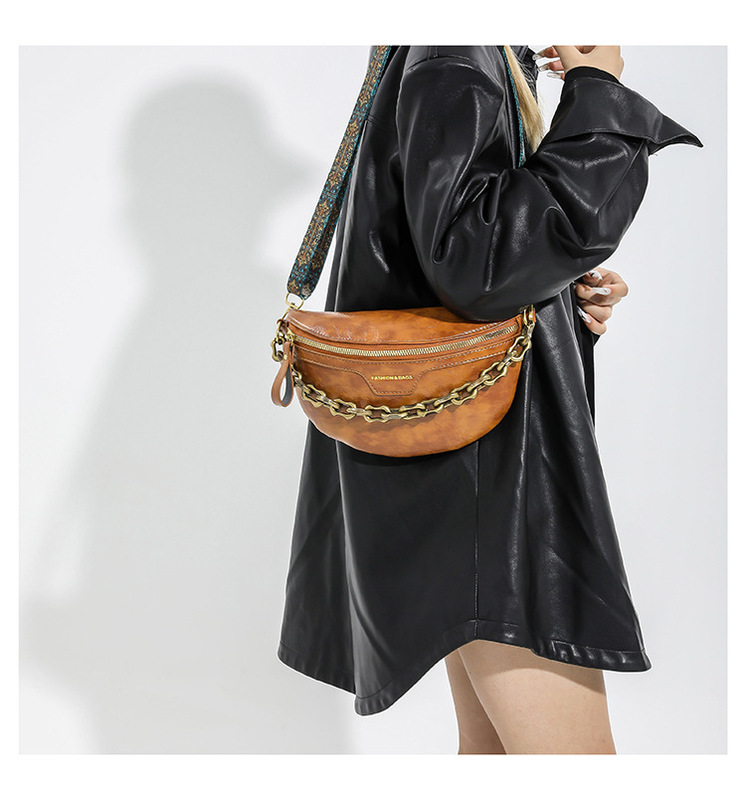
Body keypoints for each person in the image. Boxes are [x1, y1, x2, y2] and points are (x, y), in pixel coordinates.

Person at [276, 45, 703, 754]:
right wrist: (598, 90)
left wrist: (560, 287)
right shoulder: (456, 51)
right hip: (493, 483)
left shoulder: (460, 51)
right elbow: (479, 264)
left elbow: (467, 251)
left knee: (494, 757)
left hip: (467, 463)